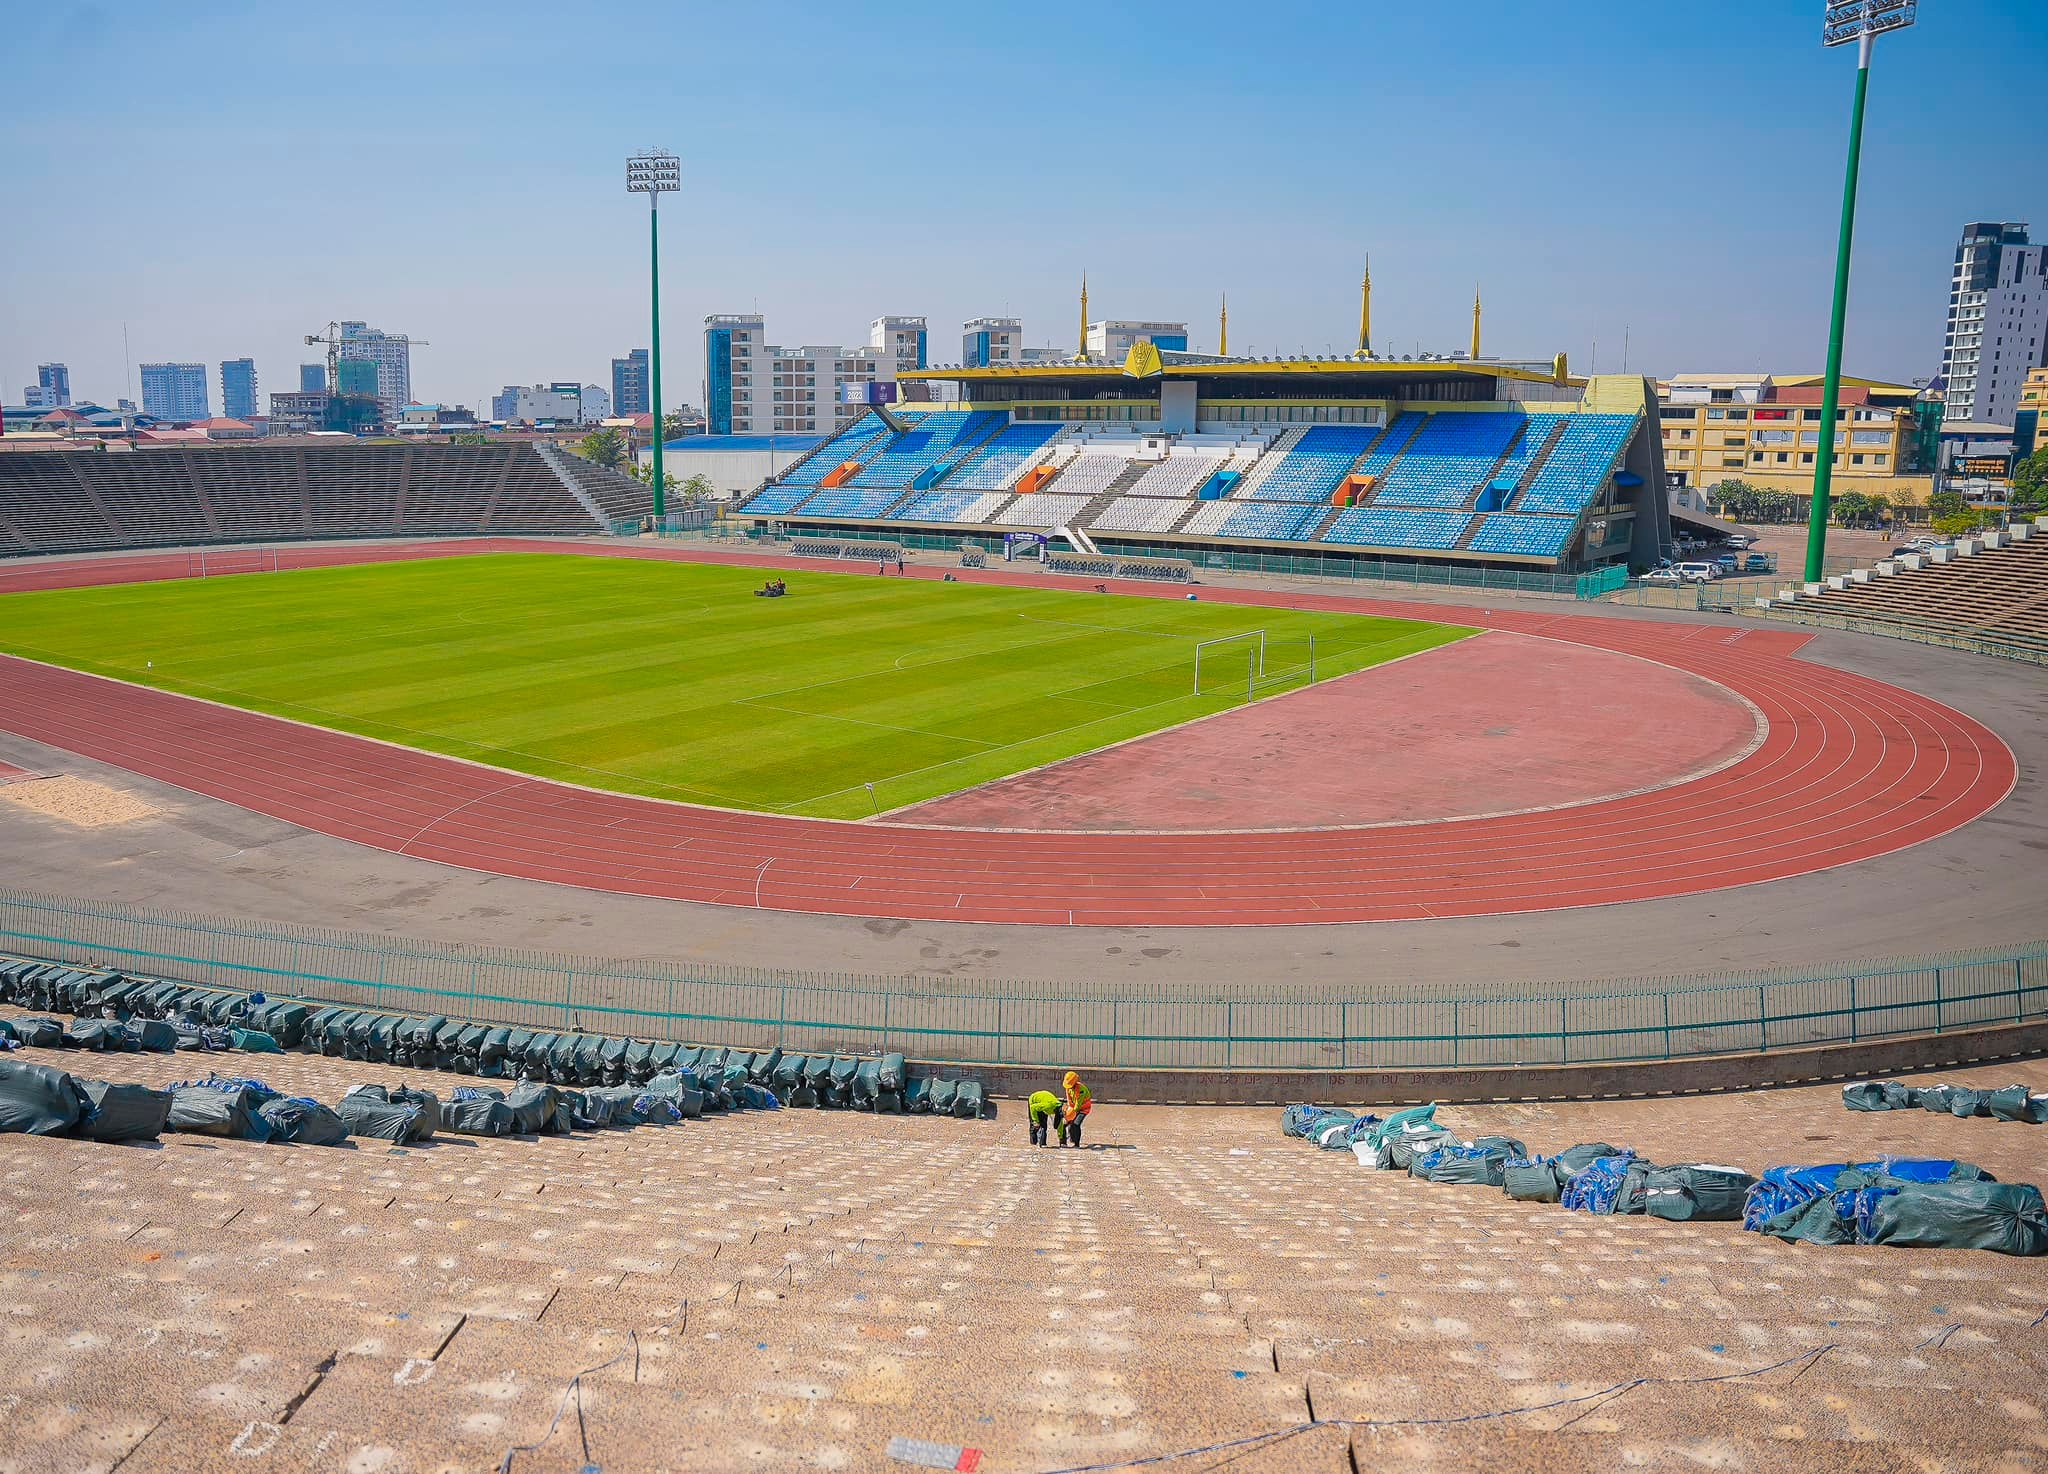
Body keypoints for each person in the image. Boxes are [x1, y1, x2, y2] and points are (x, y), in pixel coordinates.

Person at [1060, 1070, 1092, 1147]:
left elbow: (1078, 1103)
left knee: (1076, 1124)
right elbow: (1069, 1100)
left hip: (1083, 1109)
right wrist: (1068, 1113)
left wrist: (1072, 1114)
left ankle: (1076, 1143)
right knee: (1063, 1124)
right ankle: (1063, 1142)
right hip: (1073, 1108)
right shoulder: (1068, 1087)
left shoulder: (1081, 1089)